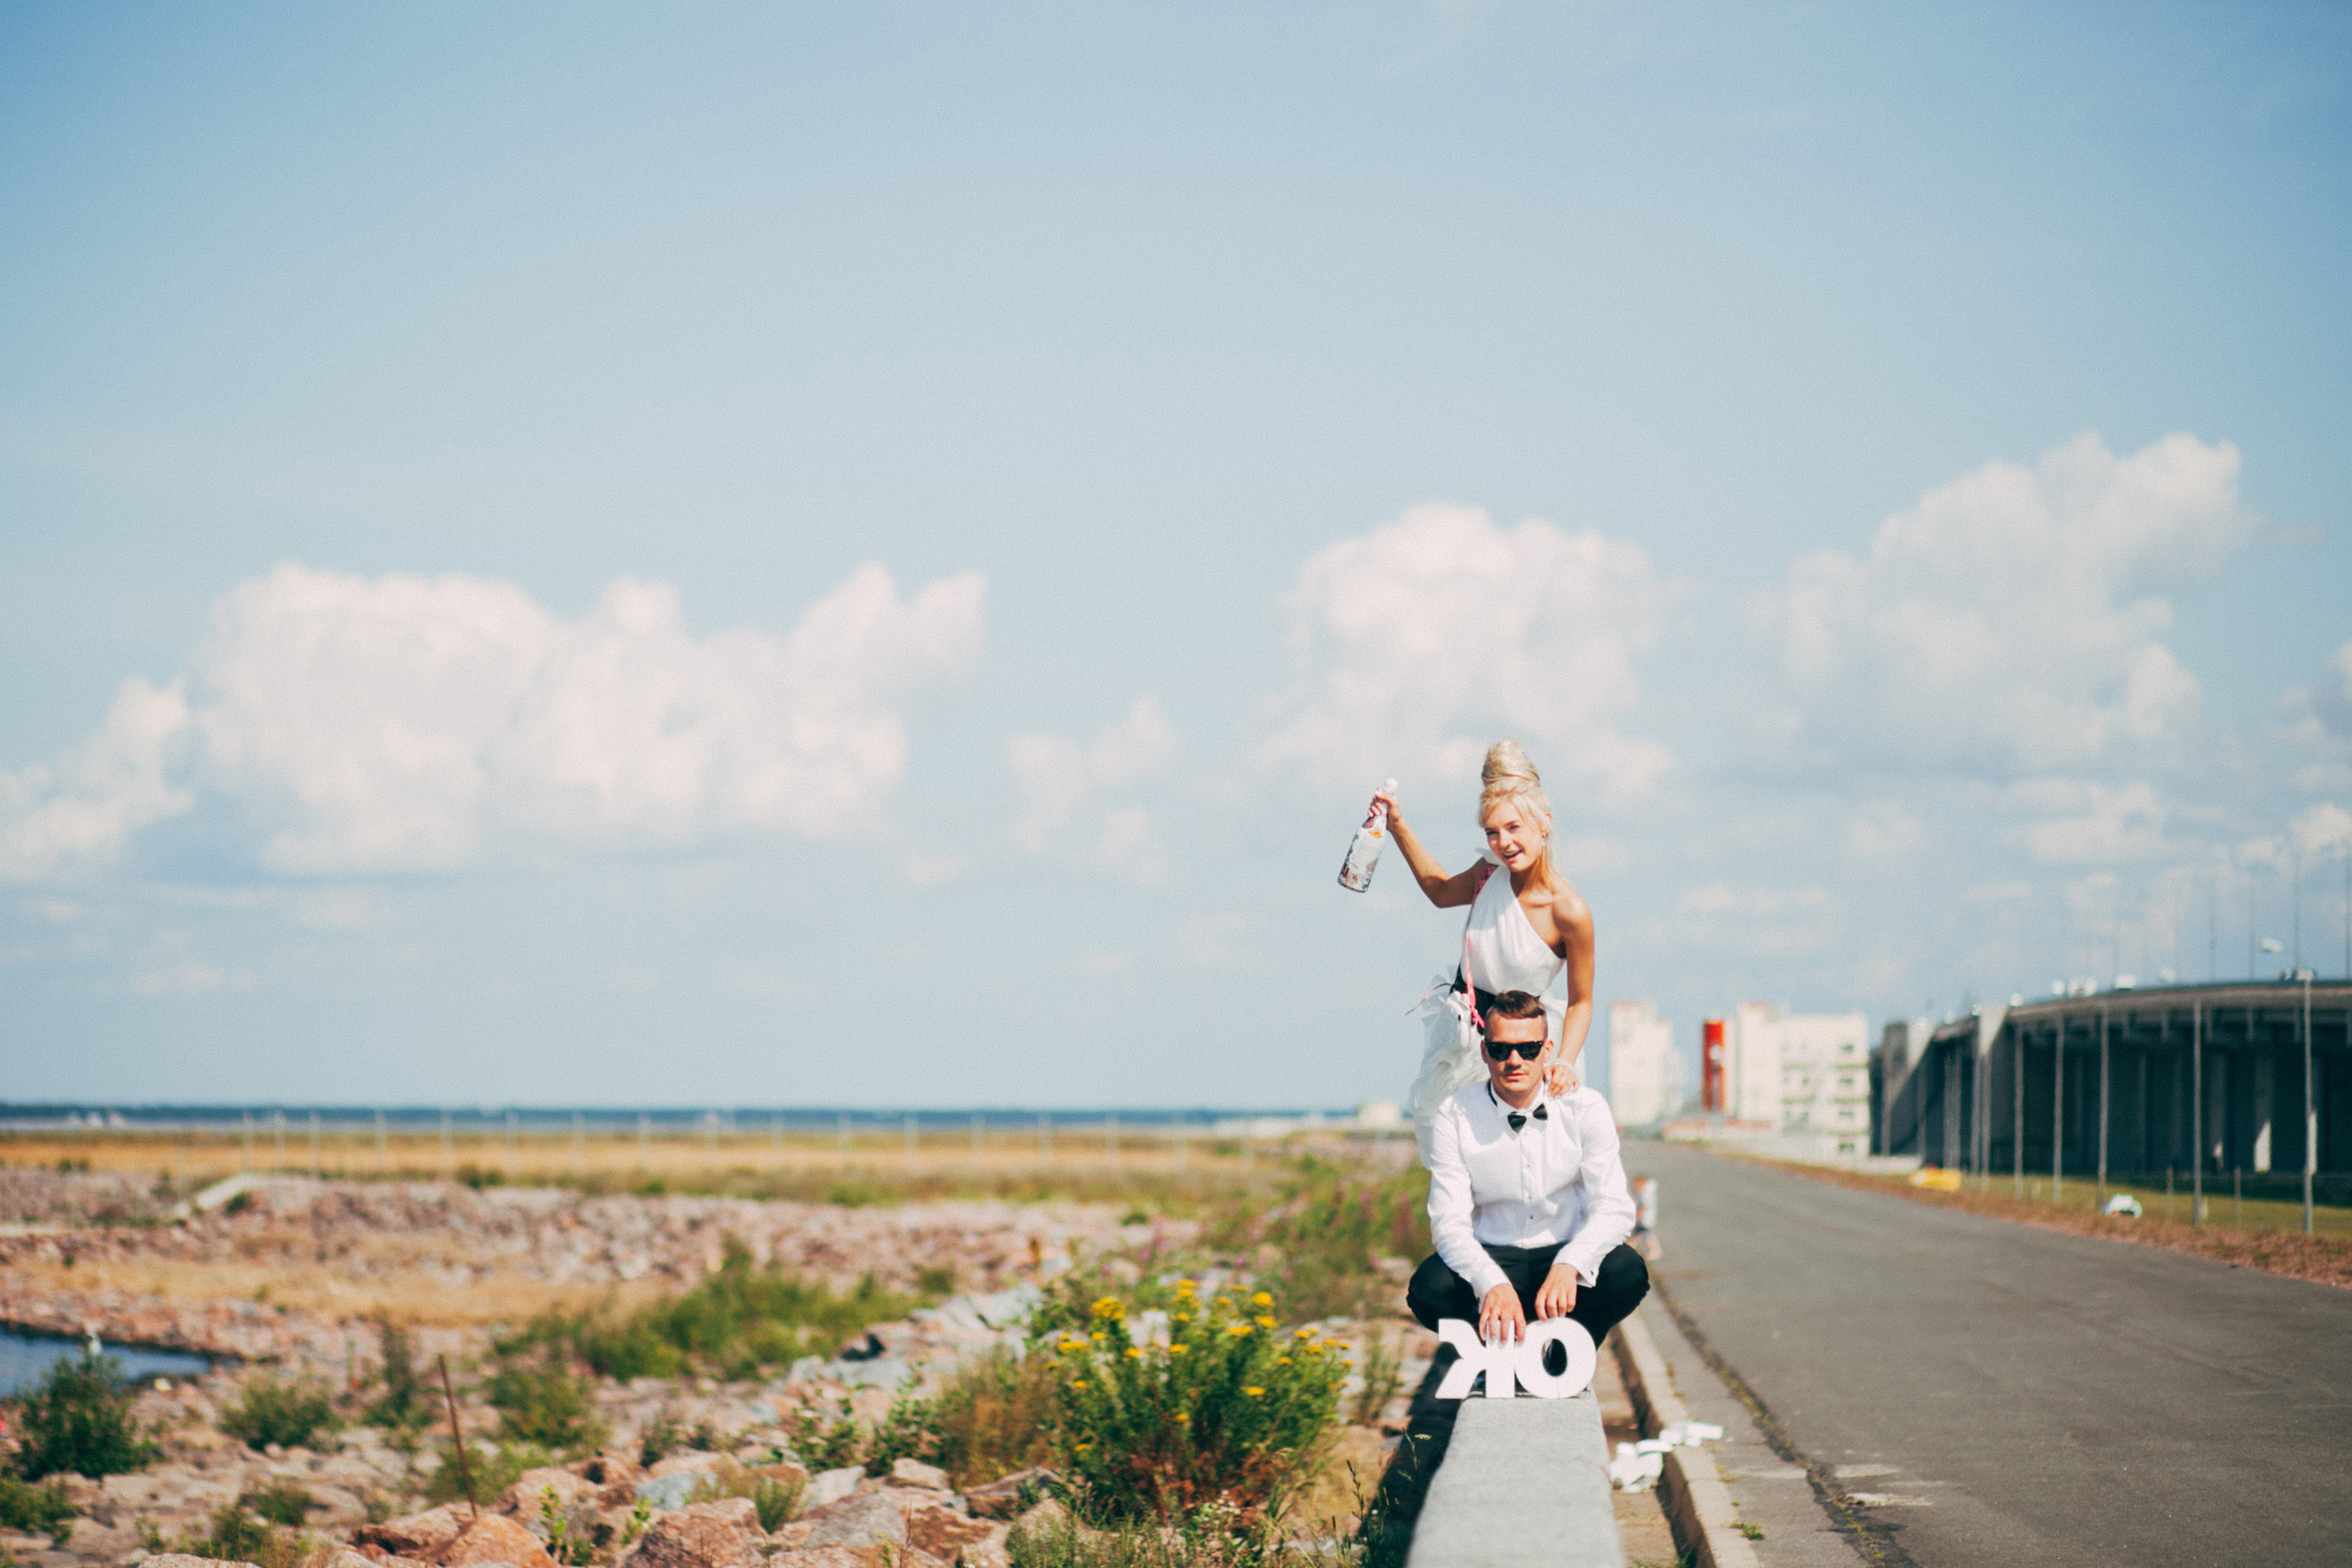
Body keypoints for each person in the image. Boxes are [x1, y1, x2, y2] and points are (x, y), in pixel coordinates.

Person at [1372, 739, 1594, 1147]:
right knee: (1454, 1160)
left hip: (1520, 1050)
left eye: (1513, 828)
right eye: (1492, 832)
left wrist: (1564, 1061)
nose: (1503, 843)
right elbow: (1440, 892)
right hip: (1463, 1042)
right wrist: (1397, 824)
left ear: (1543, 823)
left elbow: (1581, 1001)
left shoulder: (1569, 911)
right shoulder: (1489, 872)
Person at [1406, 990, 1649, 1350]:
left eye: (1528, 1049)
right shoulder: (1453, 1115)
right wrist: (1490, 1282)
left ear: (1547, 1050)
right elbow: (1448, 1224)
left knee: (1627, 1272)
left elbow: (1614, 1209)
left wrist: (1571, 1264)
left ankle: (1563, 1353)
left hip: (1563, 1249)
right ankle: (1499, 1353)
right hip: (1493, 1251)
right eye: (1501, 1049)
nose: (1514, 1060)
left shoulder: (1585, 1108)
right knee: (1428, 1289)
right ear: (1484, 1052)